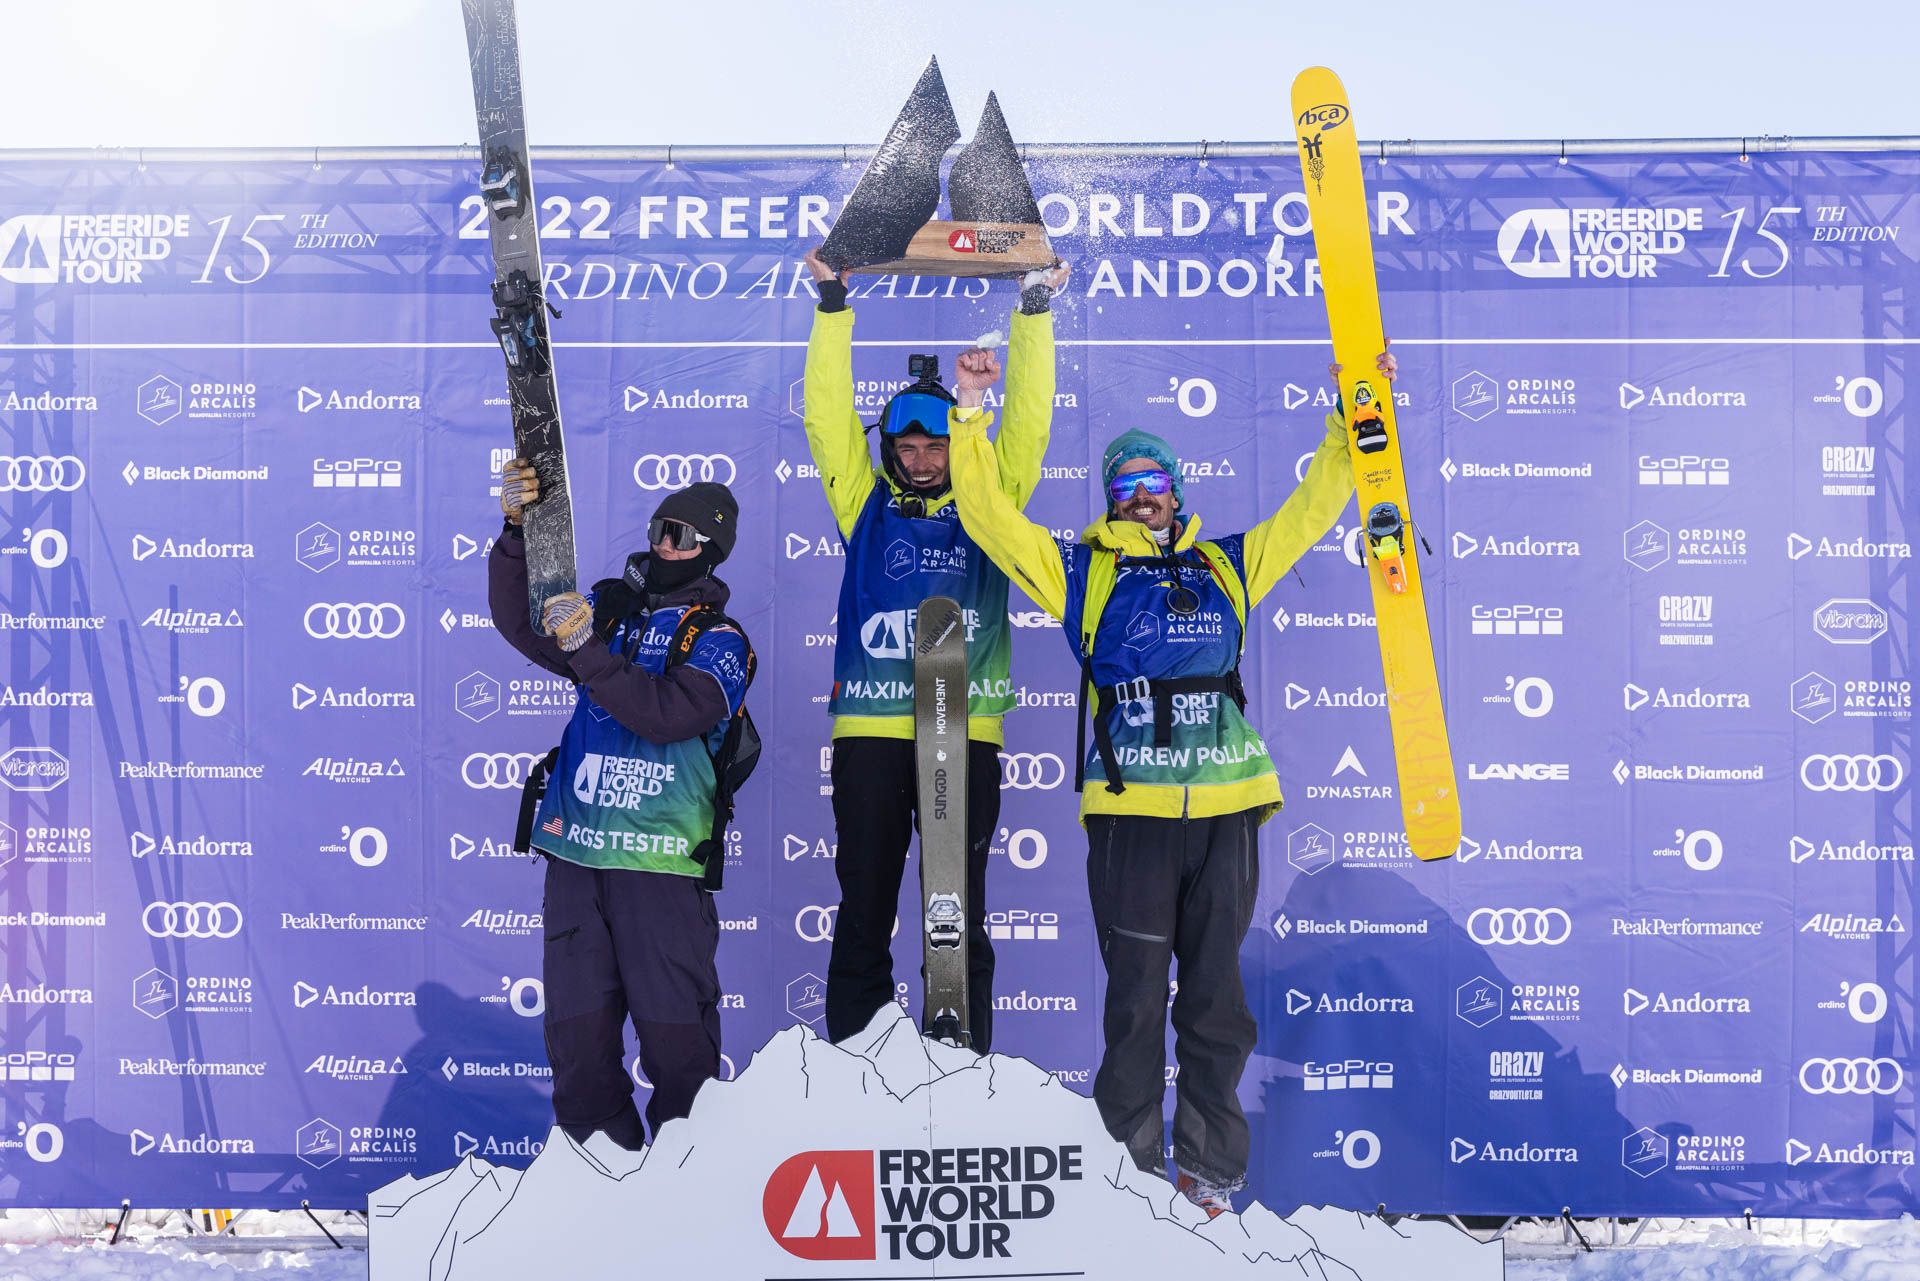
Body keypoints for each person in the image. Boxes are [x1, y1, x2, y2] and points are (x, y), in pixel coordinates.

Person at [945, 344, 1396, 1215]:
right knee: (1136, 1005)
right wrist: (970, 414)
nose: (1140, 494)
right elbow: (990, 517)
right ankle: (1130, 1173)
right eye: (1123, 485)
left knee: (1218, 1003)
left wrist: (1350, 423)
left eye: (1152, 479)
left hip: (1227, 811)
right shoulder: (1081, 572)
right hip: (1133, 818)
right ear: (1110, 500)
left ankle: (1213, 1176)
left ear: (1178, 490)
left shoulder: (1229, 562)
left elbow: (1312, 510)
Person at [801, 247, 1069, 1051]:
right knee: (865, 906)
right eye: (906, 448)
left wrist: (1033, 315)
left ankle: (961, 1061)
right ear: (887, 451)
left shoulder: (993, 499)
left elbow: (1027, 422)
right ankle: (857, 1056)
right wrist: (832, 308)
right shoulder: (863, 502)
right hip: (873, 735)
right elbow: (824, 418)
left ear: (953, 443)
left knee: (958, 910)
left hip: (963, 733)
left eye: (934, 447)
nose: (921, 460)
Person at [488, 464, 751, 1150]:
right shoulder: (608, 610)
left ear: (711, 550)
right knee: (578, 1044)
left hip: (660, 868)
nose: (666, 544)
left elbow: (664, 714)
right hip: (576, 859)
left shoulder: (721, 641)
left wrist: (589, 652)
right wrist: (517, 533)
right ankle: (595, 1192)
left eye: (684, 536)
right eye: (662, 528)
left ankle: (688, 1197)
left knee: (677, 1045)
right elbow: (523, 624)